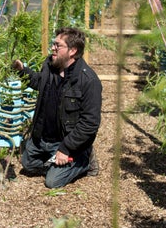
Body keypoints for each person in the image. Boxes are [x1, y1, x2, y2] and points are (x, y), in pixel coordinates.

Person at [12, 27, 102, 188]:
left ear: (72, 51)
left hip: (64, 140)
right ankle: (56, 159)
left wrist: (66, 148)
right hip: (43, 138)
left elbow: (90, 123)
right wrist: (22, 71)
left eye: (57, 45)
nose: (53, 48)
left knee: (52, 182)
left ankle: (84, 160)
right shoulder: (50, 65)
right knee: (27, 165)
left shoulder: (88, 81)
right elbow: (40, 82)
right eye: (53, 44)